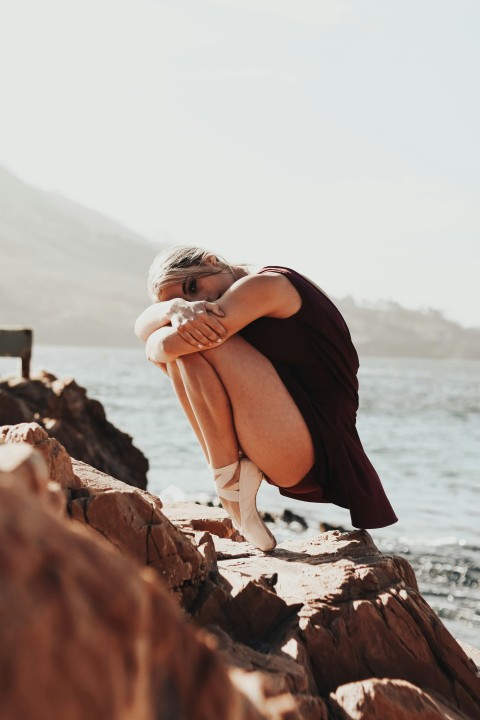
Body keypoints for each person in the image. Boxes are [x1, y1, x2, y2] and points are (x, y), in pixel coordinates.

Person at [134, 246, 398, 552]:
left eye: (193, 288)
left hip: (310, 446)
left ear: (212, 261)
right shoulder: (203, 305)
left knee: (198, 342)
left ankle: (228, 488)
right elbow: (147, 332)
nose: (198, 304)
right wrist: (172, 309)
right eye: (186, 299)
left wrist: (160, 333)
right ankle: (231, 478)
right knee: (188, 354)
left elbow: (162, 345)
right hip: (273, 438)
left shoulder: (267, 285)